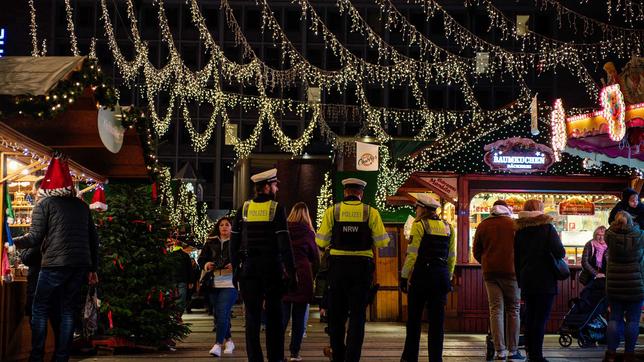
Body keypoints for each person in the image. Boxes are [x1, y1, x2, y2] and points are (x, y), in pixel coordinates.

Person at [12, 155, 99, 362]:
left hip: (54, 265)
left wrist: (10, 240)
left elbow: (34, 237)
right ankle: (62, 357)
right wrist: (93, 268)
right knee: (68, 310)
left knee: (40, 308)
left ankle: (37, 355)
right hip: (79, 265)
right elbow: (93, 239)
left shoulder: (45, 204)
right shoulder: (81, 206)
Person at [315, 178, 390, 362]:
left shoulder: (333, 211)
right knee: (357, 316)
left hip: (338, 269)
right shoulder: (370, 212)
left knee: (337, 316)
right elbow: (382, 242)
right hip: (361, 269)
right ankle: (352, 357)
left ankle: (338, 355)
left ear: (345, 192)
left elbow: (321, 241)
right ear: (361, 193)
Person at [230, 168, 297, 362]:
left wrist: (236, 270)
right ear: (267, 187)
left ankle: (255, 359)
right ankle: (275, 358)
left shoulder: (244, 208)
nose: (276, 188)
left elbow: (234, 244)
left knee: (252, 318)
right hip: (272, 269)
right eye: (275, 185)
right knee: (274, 318)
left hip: (249, 269)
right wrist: (292, 273)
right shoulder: (276, 209)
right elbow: (285, 244)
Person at [399, 193, 456, 362]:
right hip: (441, 277)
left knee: (414, 320)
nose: (415, 210)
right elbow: (452, 256)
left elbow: (412, 254)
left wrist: (404, 276)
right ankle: (436, 359)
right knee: (437, 323)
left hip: (422, 276)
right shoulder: (448, 227)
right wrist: (449, 277)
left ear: (423, 209)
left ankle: (410, 357)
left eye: (417, 207)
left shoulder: (419, 225)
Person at [514, 199, 564, 362]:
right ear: (540, 210)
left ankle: (530, 353)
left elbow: (516, 258)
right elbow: (560, 252)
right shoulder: (547, 228)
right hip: (545, 280)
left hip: (527, 279)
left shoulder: (520, 231)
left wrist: (520, 279)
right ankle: (537, 356)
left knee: (530, 317)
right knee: (540, 319)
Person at [472, 200, 523, 361]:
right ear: (507, 209)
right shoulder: (514, 225)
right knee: (513, 310)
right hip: (511, 274)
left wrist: (487, 263)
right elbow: (522, 250)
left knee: (496, 311)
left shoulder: (483, 225)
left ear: (492, 209)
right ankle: (512, 350)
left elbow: (476, 251)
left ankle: (499, 350)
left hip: (490, 274)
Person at [603, 211, 644, 362]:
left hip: (614, 284)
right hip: (635, 284)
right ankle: (629, 354)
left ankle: (611, 354)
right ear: (631, 220)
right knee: (633, 320)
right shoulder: (640, 236)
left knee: (614, 319)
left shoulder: (609, 236)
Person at [283, 202, 320, 361]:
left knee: (282, 318)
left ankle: (277, 351)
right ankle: (294, 353)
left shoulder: (283, 231)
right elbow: (315, 258)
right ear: (306, 215)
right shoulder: (309, 233)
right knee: (298, 319)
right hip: (303, 277)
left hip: (285, 276)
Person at [198, 216, 238, 357]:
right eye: (221, 225)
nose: (224, 227)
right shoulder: (211, 242)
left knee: (222, 312)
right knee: (219, 314)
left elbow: (246, 258)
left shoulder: (237, 242)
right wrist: (206, 264)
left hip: (231, 284)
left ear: (232, 227)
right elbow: (201, 258)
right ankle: (229, 341)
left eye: (227, 224)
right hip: (213, 283)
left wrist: (236, 265)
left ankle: (217, 345)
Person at [169, 242, 193, 315]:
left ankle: (175, 314)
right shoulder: (185, 255)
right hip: (183, 280)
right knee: (181, 298)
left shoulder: (170, 256)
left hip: (172, 280)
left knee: (172, 297)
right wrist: (190, 282)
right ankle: (179, 314)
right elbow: (190, 269)